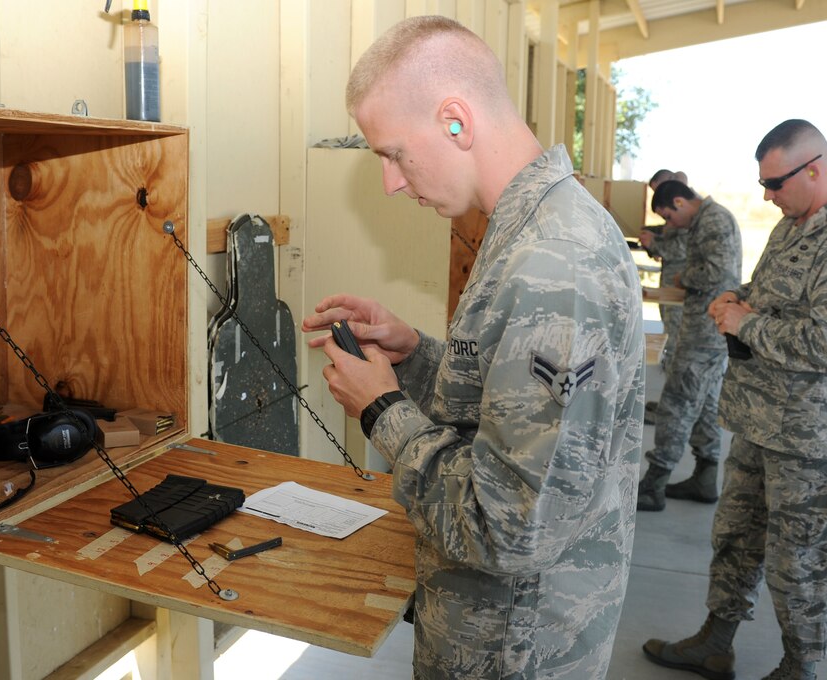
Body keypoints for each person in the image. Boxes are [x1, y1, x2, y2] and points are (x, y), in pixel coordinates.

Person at [300, 15, 645, 680]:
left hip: (513, 648)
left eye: (394, 154)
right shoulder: (533, 230)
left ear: (456, 121)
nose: (392, 183)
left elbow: (507, 526)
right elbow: (512, 408)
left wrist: (383, 412)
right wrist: (414, 356)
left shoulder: (552, 263)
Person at [642, 119, 827, 680]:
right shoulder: (789, 229)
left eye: (775, 183)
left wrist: (745, 322)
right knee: (734, 537)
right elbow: (767, 293)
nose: (767, 195)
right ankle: (715, 641)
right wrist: (739, 296)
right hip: (759, 424)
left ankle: (798, 667)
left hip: (811, 444)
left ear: (815, 170)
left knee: (798, 564)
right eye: (764, 184)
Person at [637, 180, 742, 511]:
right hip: (708, 326)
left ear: (680, 202)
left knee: (677, 400)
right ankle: (705, 476)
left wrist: (684, 278)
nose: (670, 225)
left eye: (669, 217)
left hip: (704, 330)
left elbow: (718, 273)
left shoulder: (713, 220)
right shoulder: (708, 219)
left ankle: (655, 482)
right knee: (706, 402)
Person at [640, 169, 691, 380]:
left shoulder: (688, 212)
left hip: (679, 280)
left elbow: (680, 247)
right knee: (670, 325)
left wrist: (654, 243)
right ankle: (671, 370)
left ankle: (674, 373)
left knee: (675, 330)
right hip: (671, 278)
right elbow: (671, 234)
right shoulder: (682, 210)